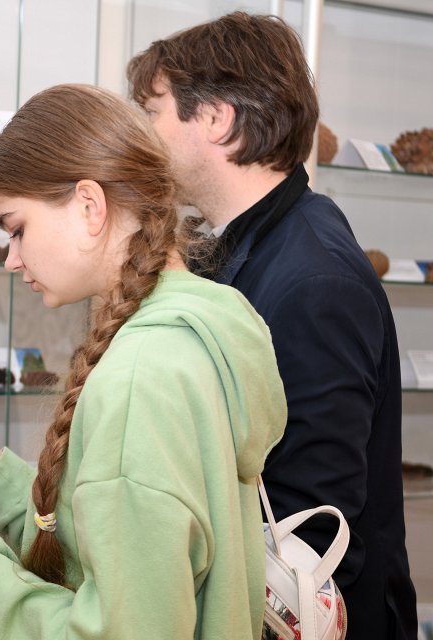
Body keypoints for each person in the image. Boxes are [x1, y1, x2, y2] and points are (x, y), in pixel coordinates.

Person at [0, 84, 287, 639]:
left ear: (89, 206)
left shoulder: (138, 377)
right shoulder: (199, 330)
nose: (11, 259)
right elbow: (129, 540)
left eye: (17, 228)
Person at [127, 12, 417, 640]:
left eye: (152, 112)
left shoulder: (315, 280)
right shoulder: (242, 249)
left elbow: (307, 530)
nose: (140, 135)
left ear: (215, 119)